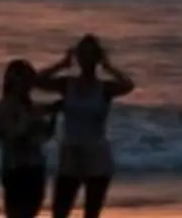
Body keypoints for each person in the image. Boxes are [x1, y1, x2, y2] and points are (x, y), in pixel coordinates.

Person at [42, 36, 135, 218]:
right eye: (83, 54)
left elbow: (128, 85)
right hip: (71, 151)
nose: (87, 59)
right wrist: (61, 64)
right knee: (60, 211)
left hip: (96, 153)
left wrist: (109, 67)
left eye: (91, 54)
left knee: (92, 213)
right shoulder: (68, 84)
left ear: (97, 57)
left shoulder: (104, 87)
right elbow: (37, 80)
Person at [0, 59, 54, 218]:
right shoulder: (2, 107)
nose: (28, 86)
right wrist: (29, 120)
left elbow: (44, 137)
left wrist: (51, 120)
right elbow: (11, 136)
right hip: (15, 169)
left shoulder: (30, 106)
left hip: (35, 168)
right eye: (24, 80)